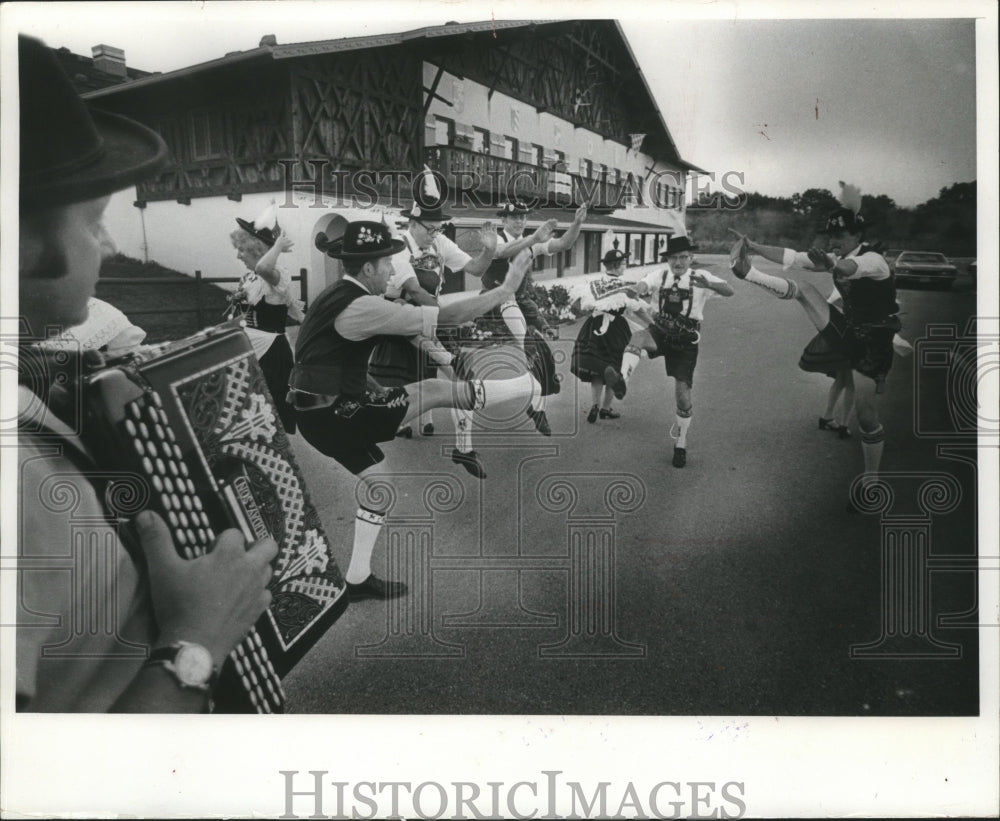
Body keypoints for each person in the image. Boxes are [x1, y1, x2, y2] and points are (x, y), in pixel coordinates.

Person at [16, 35, 277, 712]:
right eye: (94, 221)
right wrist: (200, 638)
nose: (105, 245)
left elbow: (107, 329)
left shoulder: (62, 341)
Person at [290, 221, 542, 601]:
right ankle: (528, 385)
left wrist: (367, 386)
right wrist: (507, 289)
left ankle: (357, 580)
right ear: (370, 269)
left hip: (319, 415)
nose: (393, 270)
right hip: (333, 416)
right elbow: (450, 317)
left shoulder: (335, 295)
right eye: (387, 263)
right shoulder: (363, 306)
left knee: (381, 488)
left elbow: (321, 356)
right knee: (435, 389)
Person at [728, 182, 901, 508]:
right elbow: (794, 257)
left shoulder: (874, 259)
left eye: (839, 236)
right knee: (806, 288)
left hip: (874, 344)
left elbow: (853, 268)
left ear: (855, 234)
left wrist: (835, 265)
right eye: (831, 236)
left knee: (866, 418)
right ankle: (748, 274)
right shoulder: (834, 255)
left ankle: (871, 479)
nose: (832, 240)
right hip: (849, 331)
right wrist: (752, 246)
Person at [368, 180, 527, 477]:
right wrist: (452, 317)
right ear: (412, 224)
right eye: (429, 228)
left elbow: (476, 268)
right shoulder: (399, 250)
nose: (434, 234)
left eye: (438, 228)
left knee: (458, 377)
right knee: (406, 387)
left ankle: (463, 449)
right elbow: (417, 293)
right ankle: (394, 425)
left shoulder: (438, 242)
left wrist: (489, 250)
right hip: (400, 319)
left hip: (429, 318)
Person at [455, 199, 586, 438]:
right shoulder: (499, 240)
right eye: (514, 217)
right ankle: (527, 403)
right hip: (497, 301)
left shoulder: (530, 242)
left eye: (523, 217)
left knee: (541, 356)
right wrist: (535, 238)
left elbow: (564, 244)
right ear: (503, 220)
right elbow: (504, 252)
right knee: (532, 349)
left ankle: (536, 408)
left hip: (521, 303)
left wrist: (576, 223)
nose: (520, 221)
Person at [604, 234, 734, 467]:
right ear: (668, 260)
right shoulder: (660, 275)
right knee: (638, 336)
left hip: (686, 341)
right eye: (674, 258)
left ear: (691, 258)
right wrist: (635, 289)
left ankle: (681, 442)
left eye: (683, 257)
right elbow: (644, 284)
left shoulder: (701, 276)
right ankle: (622, 381)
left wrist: (710, 285)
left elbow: (729, 291)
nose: (678, 263)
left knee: (682, 395)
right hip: (661, 331)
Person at [227, 203, 304, 433]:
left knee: (268, 407)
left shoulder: (276, 275)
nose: (238, 255)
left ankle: (273, 452)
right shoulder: (250, 278)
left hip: (271, 351)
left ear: (257, 249)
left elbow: (263, 268)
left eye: (242, 249)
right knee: (246, 404)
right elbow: (291, 307)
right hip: (251, 344)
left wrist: (278, 245)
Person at [570, 249, 653, 423]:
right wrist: (654, 325)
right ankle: (606, 409)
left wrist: (596, 310)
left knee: (597, 370)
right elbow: (638, 310)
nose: (625, 266)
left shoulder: (592, 284)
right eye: (624, 263)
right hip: (615, 329)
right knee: (614, 368)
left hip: (593, 326)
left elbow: (577, 307)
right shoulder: (627, 287)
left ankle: (594, 405)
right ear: (616, 266)